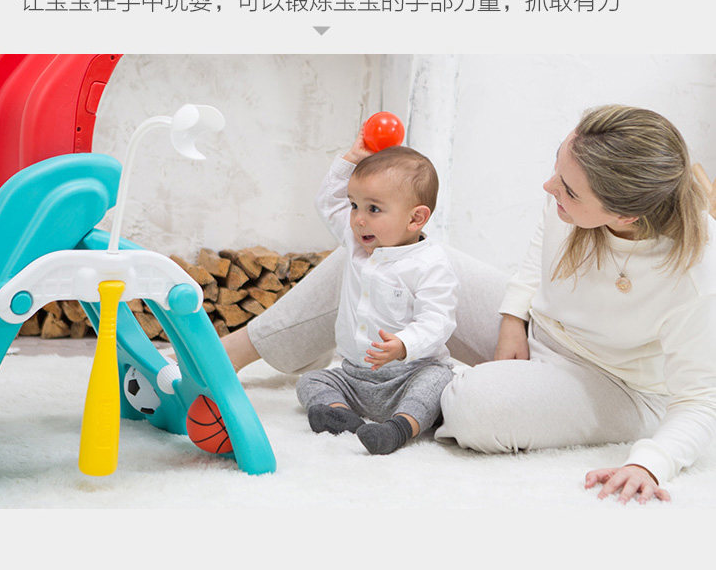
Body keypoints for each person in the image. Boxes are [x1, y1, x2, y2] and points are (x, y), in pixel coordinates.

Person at [222, 105, 716, 504]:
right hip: (538, 329)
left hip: (614, 383)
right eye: (556, 167)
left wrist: (650, 463)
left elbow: (700, 400)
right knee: (377, 249)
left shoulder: (695, 274)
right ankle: (228, 355)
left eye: (567, 189)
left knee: (476, 407)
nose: (549, 188)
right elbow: (540, 250)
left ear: (626, 216)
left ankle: (413, 402)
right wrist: (513, 316)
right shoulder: (568, 193)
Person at [296, 143, 458, 455]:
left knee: (439, 383)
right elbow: (327, 203)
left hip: (410, 374)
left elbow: (438, 320)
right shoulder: (357, 244)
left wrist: (404, 344)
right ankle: (342, 416)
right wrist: (349, 160)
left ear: (416, 218)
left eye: (373, 209)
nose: (358, 219)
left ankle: (399, 428)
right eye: (354, 205)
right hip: (355, 375)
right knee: (310, 381)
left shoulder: (430, 264)